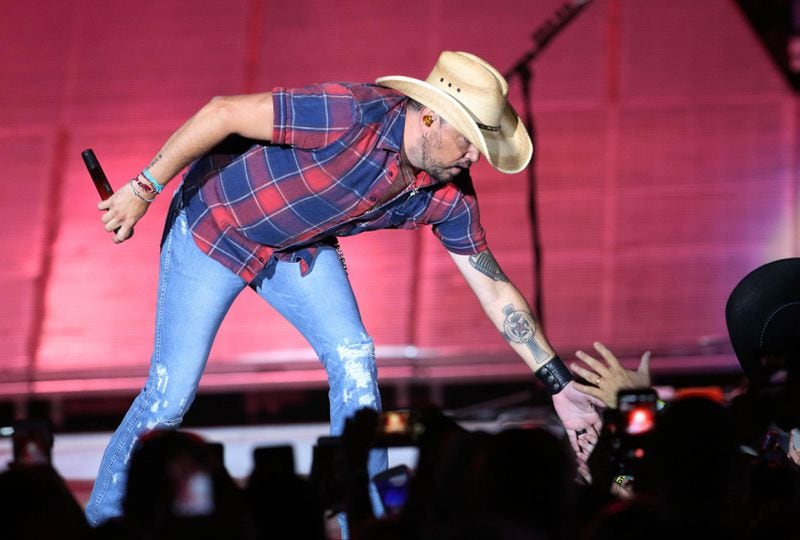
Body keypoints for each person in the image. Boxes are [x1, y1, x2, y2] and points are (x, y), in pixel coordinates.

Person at [85, 50, 601, 527]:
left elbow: (495, 291)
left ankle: (367, 523)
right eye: (468, 139)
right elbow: (222, 112)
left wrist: (561, 386)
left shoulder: (448, 197)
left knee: (355, 355)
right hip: (212, 228)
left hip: (296, 250)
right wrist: (143, 188)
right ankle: (101, 526)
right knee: (170, 398)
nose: (474, 158)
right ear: (429, 117)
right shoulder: (349, 113)